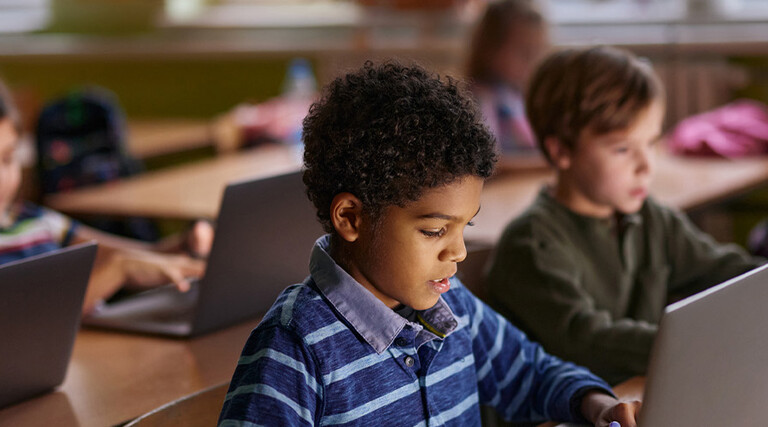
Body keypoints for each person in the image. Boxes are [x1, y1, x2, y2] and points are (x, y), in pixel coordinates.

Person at [218, 61, 639, 426]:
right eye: (435, 231)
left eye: (464, 228)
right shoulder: (294, 345)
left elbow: (529, 372)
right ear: (350, 217)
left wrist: (598, 405)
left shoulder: (452, 305)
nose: (458, 252)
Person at [484, 46, 765, 385]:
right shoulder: (530, 244)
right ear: (561, 150)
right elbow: (587, 340)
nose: (647, 166)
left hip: (634, 396)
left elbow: (724, 271)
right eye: (622, 149)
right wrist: (696, 343)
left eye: (650, 143)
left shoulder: (652, 218)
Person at [0, 78, 214, 314]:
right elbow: (24, 317)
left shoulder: (37, 221)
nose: (2, 179)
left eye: (8, 158)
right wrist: (118, 270)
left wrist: (185, 247)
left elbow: (133, 255)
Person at [466, 0, 549, 156]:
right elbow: (488, 160)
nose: (533, 61)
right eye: (525, 52)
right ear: (490, 49)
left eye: (538, 52)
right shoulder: (482, 100)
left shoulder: (517, 96)